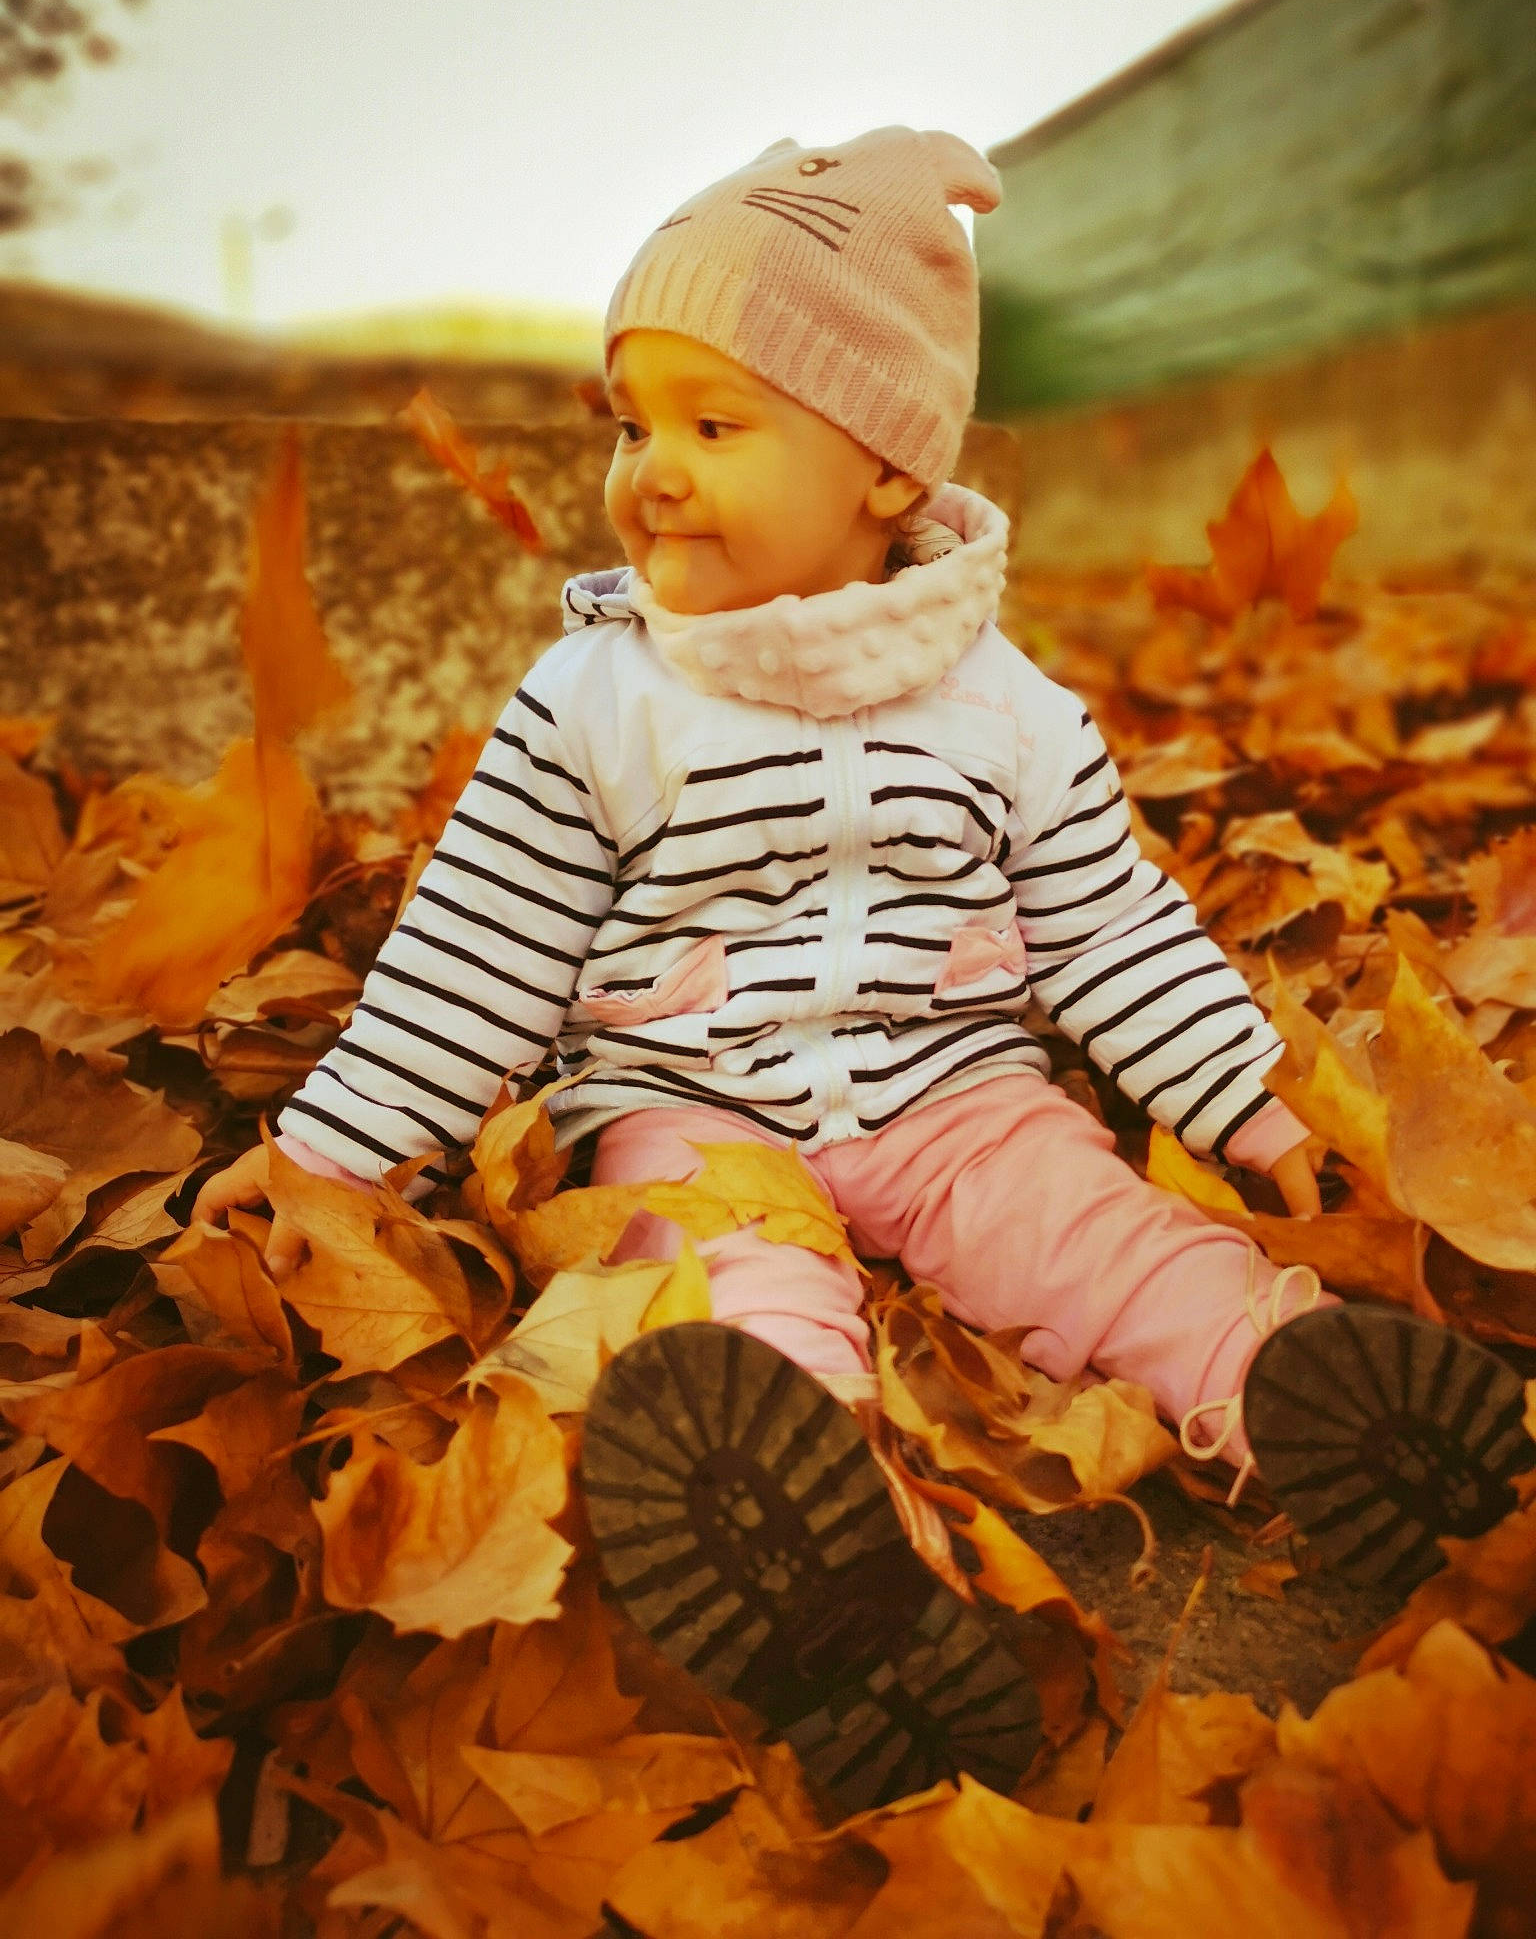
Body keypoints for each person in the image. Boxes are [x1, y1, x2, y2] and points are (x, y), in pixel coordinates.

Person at [196, 125, 1533, 1810]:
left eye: (711, 424)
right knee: (736, 1305)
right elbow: (478, 956)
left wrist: (1260, 1118)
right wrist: (323, 1165)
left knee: (1107, 1241)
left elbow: (1112, 927)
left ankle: (1306, 1396)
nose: (649, 471)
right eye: (632, 422)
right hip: (695, 1114)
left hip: (960, 1097)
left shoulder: (1008, 705)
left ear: (887, 469)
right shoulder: (597, 700)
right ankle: (844, 1581)